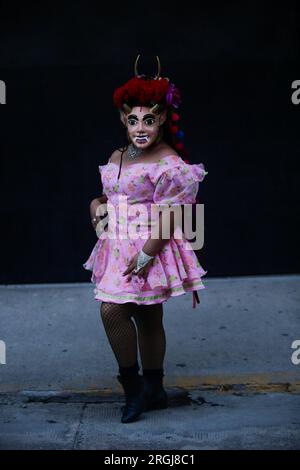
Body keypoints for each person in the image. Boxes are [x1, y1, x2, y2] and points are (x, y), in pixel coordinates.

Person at [83, 55, 208, 423]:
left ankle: (147, 388)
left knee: (135, 313)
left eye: (149, 120)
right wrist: (96, 207)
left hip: (149, 245)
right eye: (133, 119)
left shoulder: (168, 161)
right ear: (123, 119)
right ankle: (143, 387)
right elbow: (110, 197)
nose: (141, 128)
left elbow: (173, 213)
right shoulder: (118, 155)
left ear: (162, 120)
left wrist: (148, 255)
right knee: (135, 312)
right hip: (117, 244)